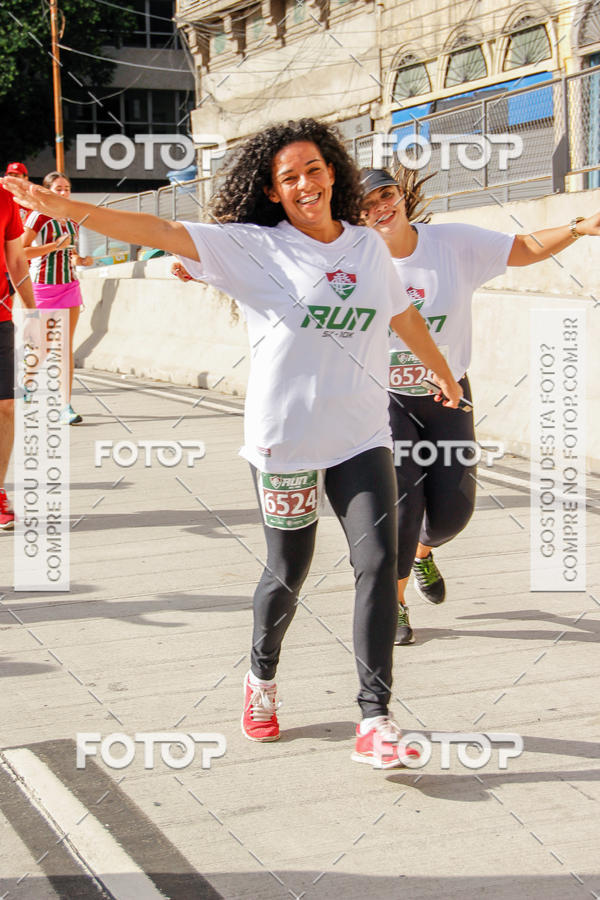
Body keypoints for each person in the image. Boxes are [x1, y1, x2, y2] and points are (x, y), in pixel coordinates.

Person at [3, 119, 463, 768]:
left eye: (314, 169)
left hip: (361, 439)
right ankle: (262, 677)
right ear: (272, 192)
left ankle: (375, 717)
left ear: (334, 172)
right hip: (286, 445)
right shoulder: (254, 245)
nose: (305, 184)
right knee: (288, 572)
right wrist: (66, 208)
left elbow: (400, 313)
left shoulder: (365, 247)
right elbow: (161, 232)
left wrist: (441, 371)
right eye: (289, 177)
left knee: (379, 563)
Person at [360, 165, 600, 645]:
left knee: (452, 512)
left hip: (449, 395)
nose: (378, 208)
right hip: (383, 400)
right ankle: (395, 601)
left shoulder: (452, 244)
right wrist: (200, 269)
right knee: (403, 502)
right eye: (363, 207)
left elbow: (523, 248)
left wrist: (578, 226)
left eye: (384, 195)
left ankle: (423, 554)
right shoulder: (351, 261)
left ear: (400, 194)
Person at [21, 172, 93, 425]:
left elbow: (71, 252)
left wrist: (81, 260)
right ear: (48, 190)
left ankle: (65, 406)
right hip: (43, 287)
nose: (64, 193)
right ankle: (27, 382)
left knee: (64, 348)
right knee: (44, 347)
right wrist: (54, 246)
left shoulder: (73, 218)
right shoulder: (38, 216)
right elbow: (22, 250)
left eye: (67, 188)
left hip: (70, 285)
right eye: (59, 189)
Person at [0, 184, 37, 530]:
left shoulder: (5, 200)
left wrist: (32, 313)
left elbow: (15, 258)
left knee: (6, 406)